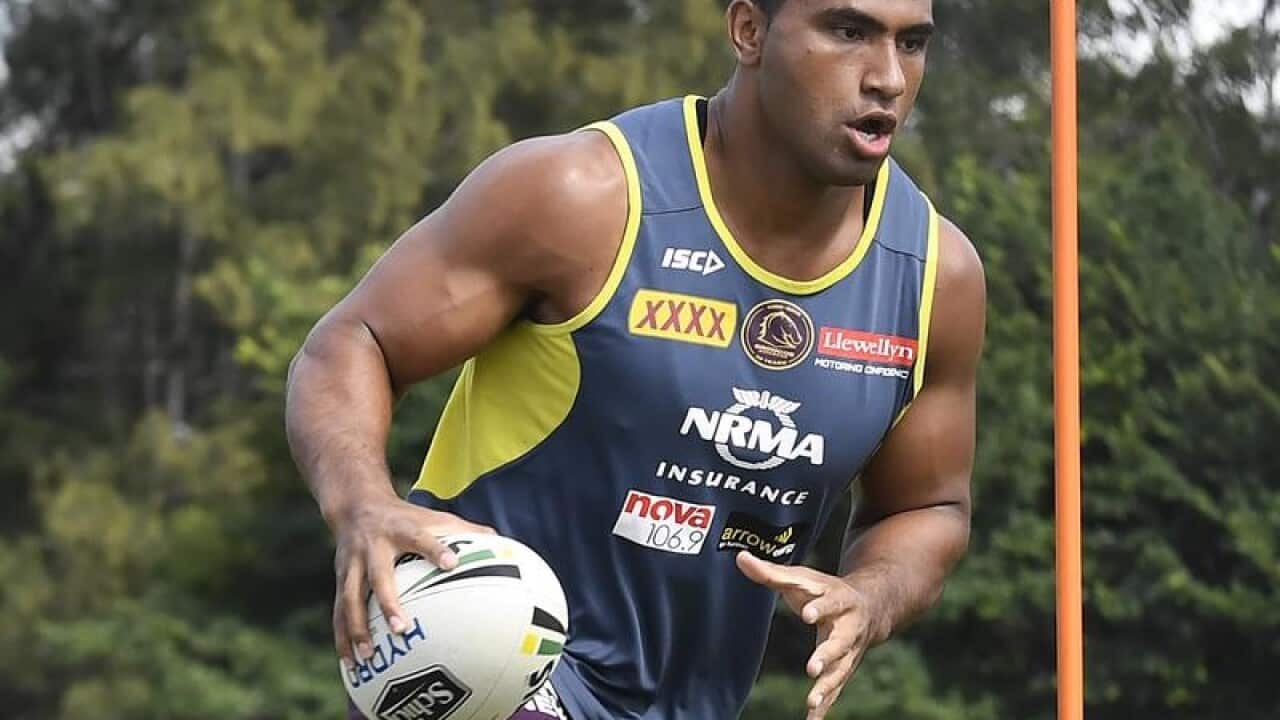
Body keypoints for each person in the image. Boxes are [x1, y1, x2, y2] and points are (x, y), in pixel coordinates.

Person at [286, 0, 985, 718]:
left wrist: (870, 597)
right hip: (497, 674)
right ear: (749, 31)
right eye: (848, 32)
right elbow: (352, 342)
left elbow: (927, 505)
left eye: (913, 44)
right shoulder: (582, 196)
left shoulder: (936, 277)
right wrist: (363, 506)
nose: (888, 78)